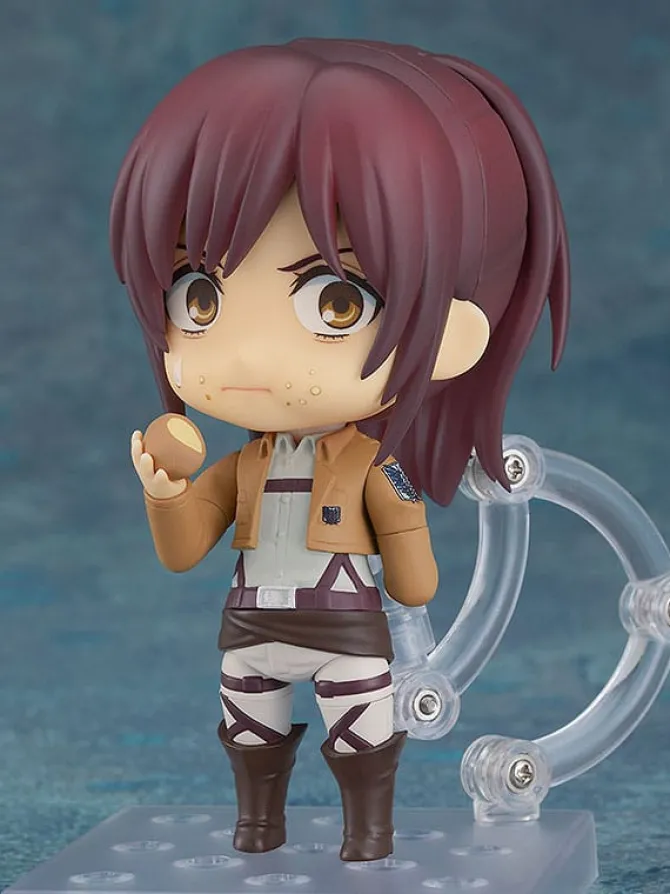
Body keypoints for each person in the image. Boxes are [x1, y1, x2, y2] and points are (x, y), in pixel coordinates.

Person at [110, 38, 569, 862]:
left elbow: (415, 583)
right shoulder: (244, 468)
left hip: (346, 631)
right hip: (250, 624)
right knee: (248, 732)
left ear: (453, 333)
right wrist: (166, 493)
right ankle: (258, 827)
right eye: (199, 295)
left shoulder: (370, 467)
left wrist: (402, 530)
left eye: (336, 302)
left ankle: (369, 836)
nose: (248, 354)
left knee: (362, 737)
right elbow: (182, 552)